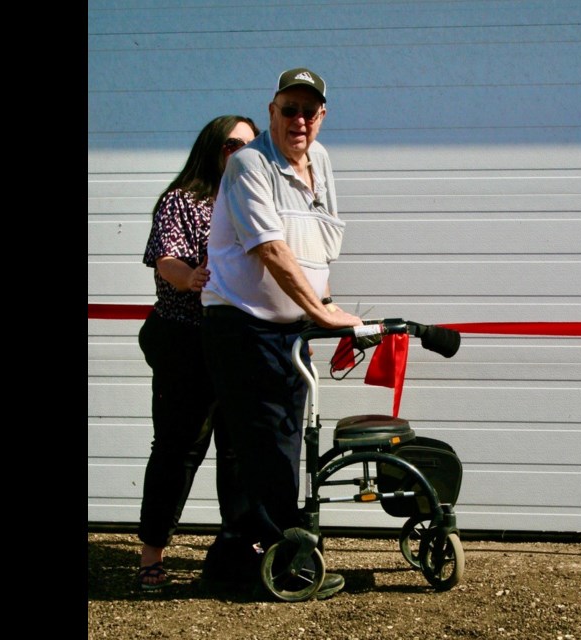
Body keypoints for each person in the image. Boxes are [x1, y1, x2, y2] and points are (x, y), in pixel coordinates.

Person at [199, 68, 361, 600]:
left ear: (322, 117)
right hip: (244, 326)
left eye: (308, 112)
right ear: (271, 110)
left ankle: (233, 560)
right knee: (266, 444)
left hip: (289, 328)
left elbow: (315, 245)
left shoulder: (321, 163)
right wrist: (322, 310)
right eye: (288, 108)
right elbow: (269, 249)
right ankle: (281, 563)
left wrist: (326, 305)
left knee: (279, 443)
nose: (298, 121)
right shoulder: (249, 164)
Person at [136, 114, 261, 590]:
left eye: (249, 147)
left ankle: (236, 551)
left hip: (237, 342)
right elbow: (166, 257)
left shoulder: (256, 201)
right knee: (177, 450)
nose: (239, 153)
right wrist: (187, 277)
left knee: (238, 453)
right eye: (231, 144)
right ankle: (151, 555)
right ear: (212, 147)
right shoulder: (182, 200)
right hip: (184, 340)